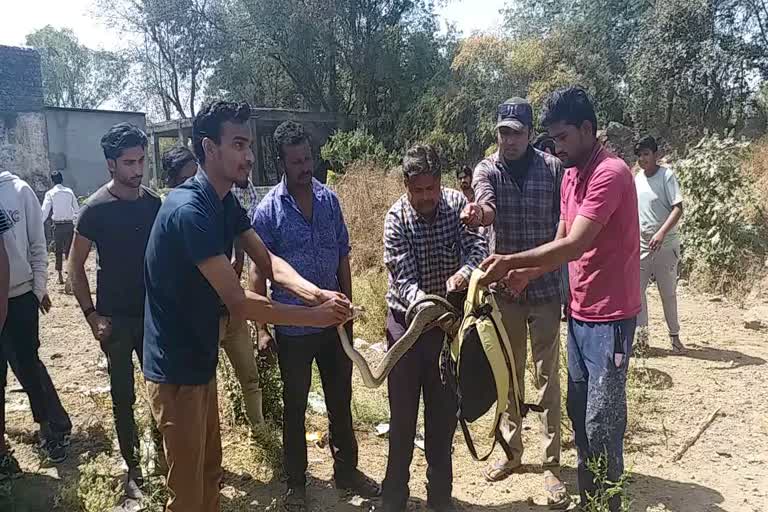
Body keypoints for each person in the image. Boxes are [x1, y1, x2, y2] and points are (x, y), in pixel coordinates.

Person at [143, 100, 351, 512]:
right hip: (175, 368)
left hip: (199, 360)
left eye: (249, 144)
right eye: (238, 144)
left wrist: (317, 294)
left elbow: (268, 261)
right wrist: (315, 315)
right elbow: (238, 301)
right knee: (185, 494)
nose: (249, 155)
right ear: (209, 148)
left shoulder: (223, 202)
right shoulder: (189, 211)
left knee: (209, 476)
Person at [477, 86, 640, 511]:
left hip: (611, 317)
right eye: (554, 139)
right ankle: (591, 498)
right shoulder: (570, 173)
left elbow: (577, 244)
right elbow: (563, 235)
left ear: (588, 129)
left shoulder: (611, 172)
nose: (558, 147)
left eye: (564, 137)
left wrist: (511, 260)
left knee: (602, 423)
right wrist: (526, 272)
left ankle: (605, 502)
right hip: (581, 311)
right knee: (581, 415)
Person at [250, 120, 380, 511]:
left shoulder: (329, 201)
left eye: (308, 158)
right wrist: (262, 329)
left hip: (334, 325)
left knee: (341, 398)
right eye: (296, 161)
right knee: (295, 405)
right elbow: (258, 271)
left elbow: (343, 257)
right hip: (293, 327)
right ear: (282, 164)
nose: (305, 166)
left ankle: (347, 472)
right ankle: (296, 485)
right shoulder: (268, 210)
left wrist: (348, 314)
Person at [460, 97, 568, 508]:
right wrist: (478, 214)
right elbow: (487, 204)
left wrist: (543, 270)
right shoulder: (489, 169)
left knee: (547, 378)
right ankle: (511, 453)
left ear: (529, 132)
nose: (508, 140)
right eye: (502, 132)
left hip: (543, 291)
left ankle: (552, 464)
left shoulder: (552, 169)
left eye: (516, 132)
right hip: (504, 293)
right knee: (507, 378)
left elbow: (565, 222)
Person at [382, 144, 487, 512]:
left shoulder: (459, 207)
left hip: (447, 331)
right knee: (403, 422)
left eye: (431, 189)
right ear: (406, 185)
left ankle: (439, 501)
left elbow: (478, 250)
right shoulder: (395, 219)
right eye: (418, 190)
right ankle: (393, 498)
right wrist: (432, 305)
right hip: (407, 329)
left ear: (440, 184)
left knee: (442, 421)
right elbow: (404, 281)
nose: (425, 197)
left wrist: (464, 273)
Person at [69, 123, 162, 499]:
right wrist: (91, 315)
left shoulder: (154, 204)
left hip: (153, 316)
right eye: (129, 162)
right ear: (111, 165)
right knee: (123, 395)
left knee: (161, 389)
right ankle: (133, 465)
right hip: (115, 322)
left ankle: (166, 456)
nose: (138, 169)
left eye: (141, 160)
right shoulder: (94, 210)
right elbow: (76, 268)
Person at [164, 144, 265, 429]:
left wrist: (240, 256)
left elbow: (255, 251)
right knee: (202, 390)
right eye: (187, 178)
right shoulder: (182, 213)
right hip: (201, 319)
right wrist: (312, 314)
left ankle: (259, 430)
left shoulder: (223, 203)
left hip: (229, 312)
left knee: (250, 376)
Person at [0, 170, 67, 474]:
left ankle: (49, 430)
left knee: (28, 365)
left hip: (19, 297)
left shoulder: (19, 190)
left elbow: (38, 246)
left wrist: (36, 291)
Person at [633, 136, 684, 353]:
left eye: (646, 154)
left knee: (668, 293)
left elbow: (678, 208)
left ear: (656, 155)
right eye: (640, 155)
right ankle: (642, 340)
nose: (643, 159)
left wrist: (662, 233)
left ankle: (674, 337)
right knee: (637, 292)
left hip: (665, 245)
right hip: (643, 244)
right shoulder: (638, 178)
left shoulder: (667, 176)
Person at [41, 171, 79, 284]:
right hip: (69, 225)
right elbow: (77, 210)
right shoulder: (69, 192)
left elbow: (44, 211)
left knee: (58, 251)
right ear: (62, 179)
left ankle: (60, 275)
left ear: (52, 181)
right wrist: (76, 223)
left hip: (57, 226)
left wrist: (39, 224)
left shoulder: (50, 193)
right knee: (69, 250)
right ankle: (70, 275)